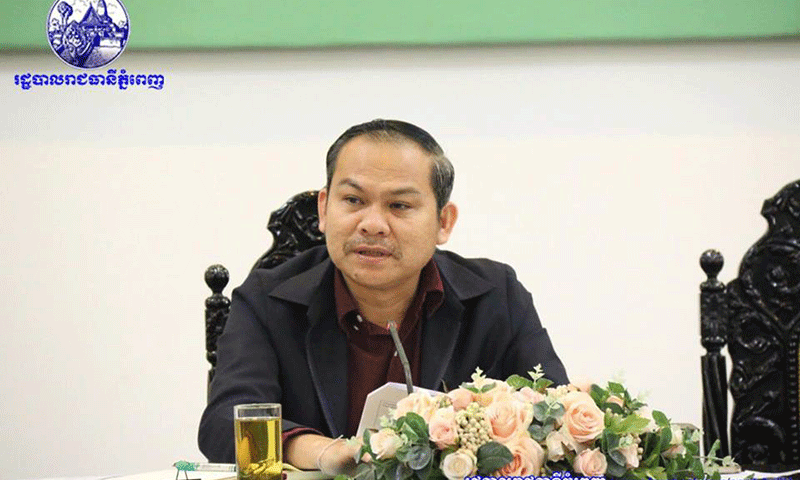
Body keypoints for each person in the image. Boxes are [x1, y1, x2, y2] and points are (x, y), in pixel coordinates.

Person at [198, 119, 568, 473]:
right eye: (353, 200)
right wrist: (324, 453)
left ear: (444, 222)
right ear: (324, 209)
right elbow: (224, 425)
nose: (372, 224)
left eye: (399, 205)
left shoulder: (495, 296)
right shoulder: (267, 300)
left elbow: (554, 416)